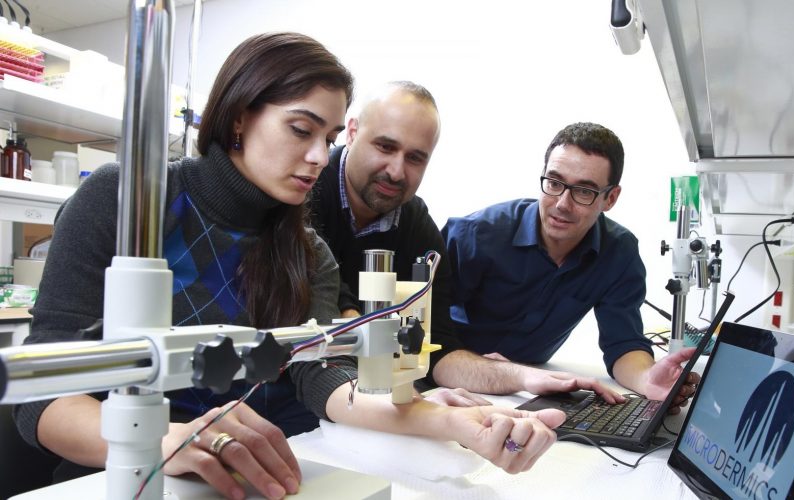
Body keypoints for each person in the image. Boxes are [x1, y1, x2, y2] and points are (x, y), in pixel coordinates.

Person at [12, 33, 563, 500]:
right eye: (302, 130)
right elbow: (41, 397)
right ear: (239, 115)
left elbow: (320, 375)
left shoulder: (307, 249)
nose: (320, 157)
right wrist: (163, 438)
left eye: (328, 139)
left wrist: (455, 423)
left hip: (258, 475)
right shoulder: (127, 201)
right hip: (123, 476)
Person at [310, 83, 625, 406]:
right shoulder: (303, 196)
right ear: (351, 132)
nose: (396, 171)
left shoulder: (416, 226)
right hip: (307, 394)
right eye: (385, 146)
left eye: (415, 158)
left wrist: (525, 378)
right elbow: (325, 316)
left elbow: (437, 348)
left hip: (355, 401)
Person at [438, 122, 700, 410]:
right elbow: (423, 336)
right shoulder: (476, 235)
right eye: (554, 183)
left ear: (610, 198)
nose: (562, 203)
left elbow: (623, 343)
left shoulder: (618, 252)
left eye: (584, 191)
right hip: (449, 380)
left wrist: (647, 379)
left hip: (525, 391)